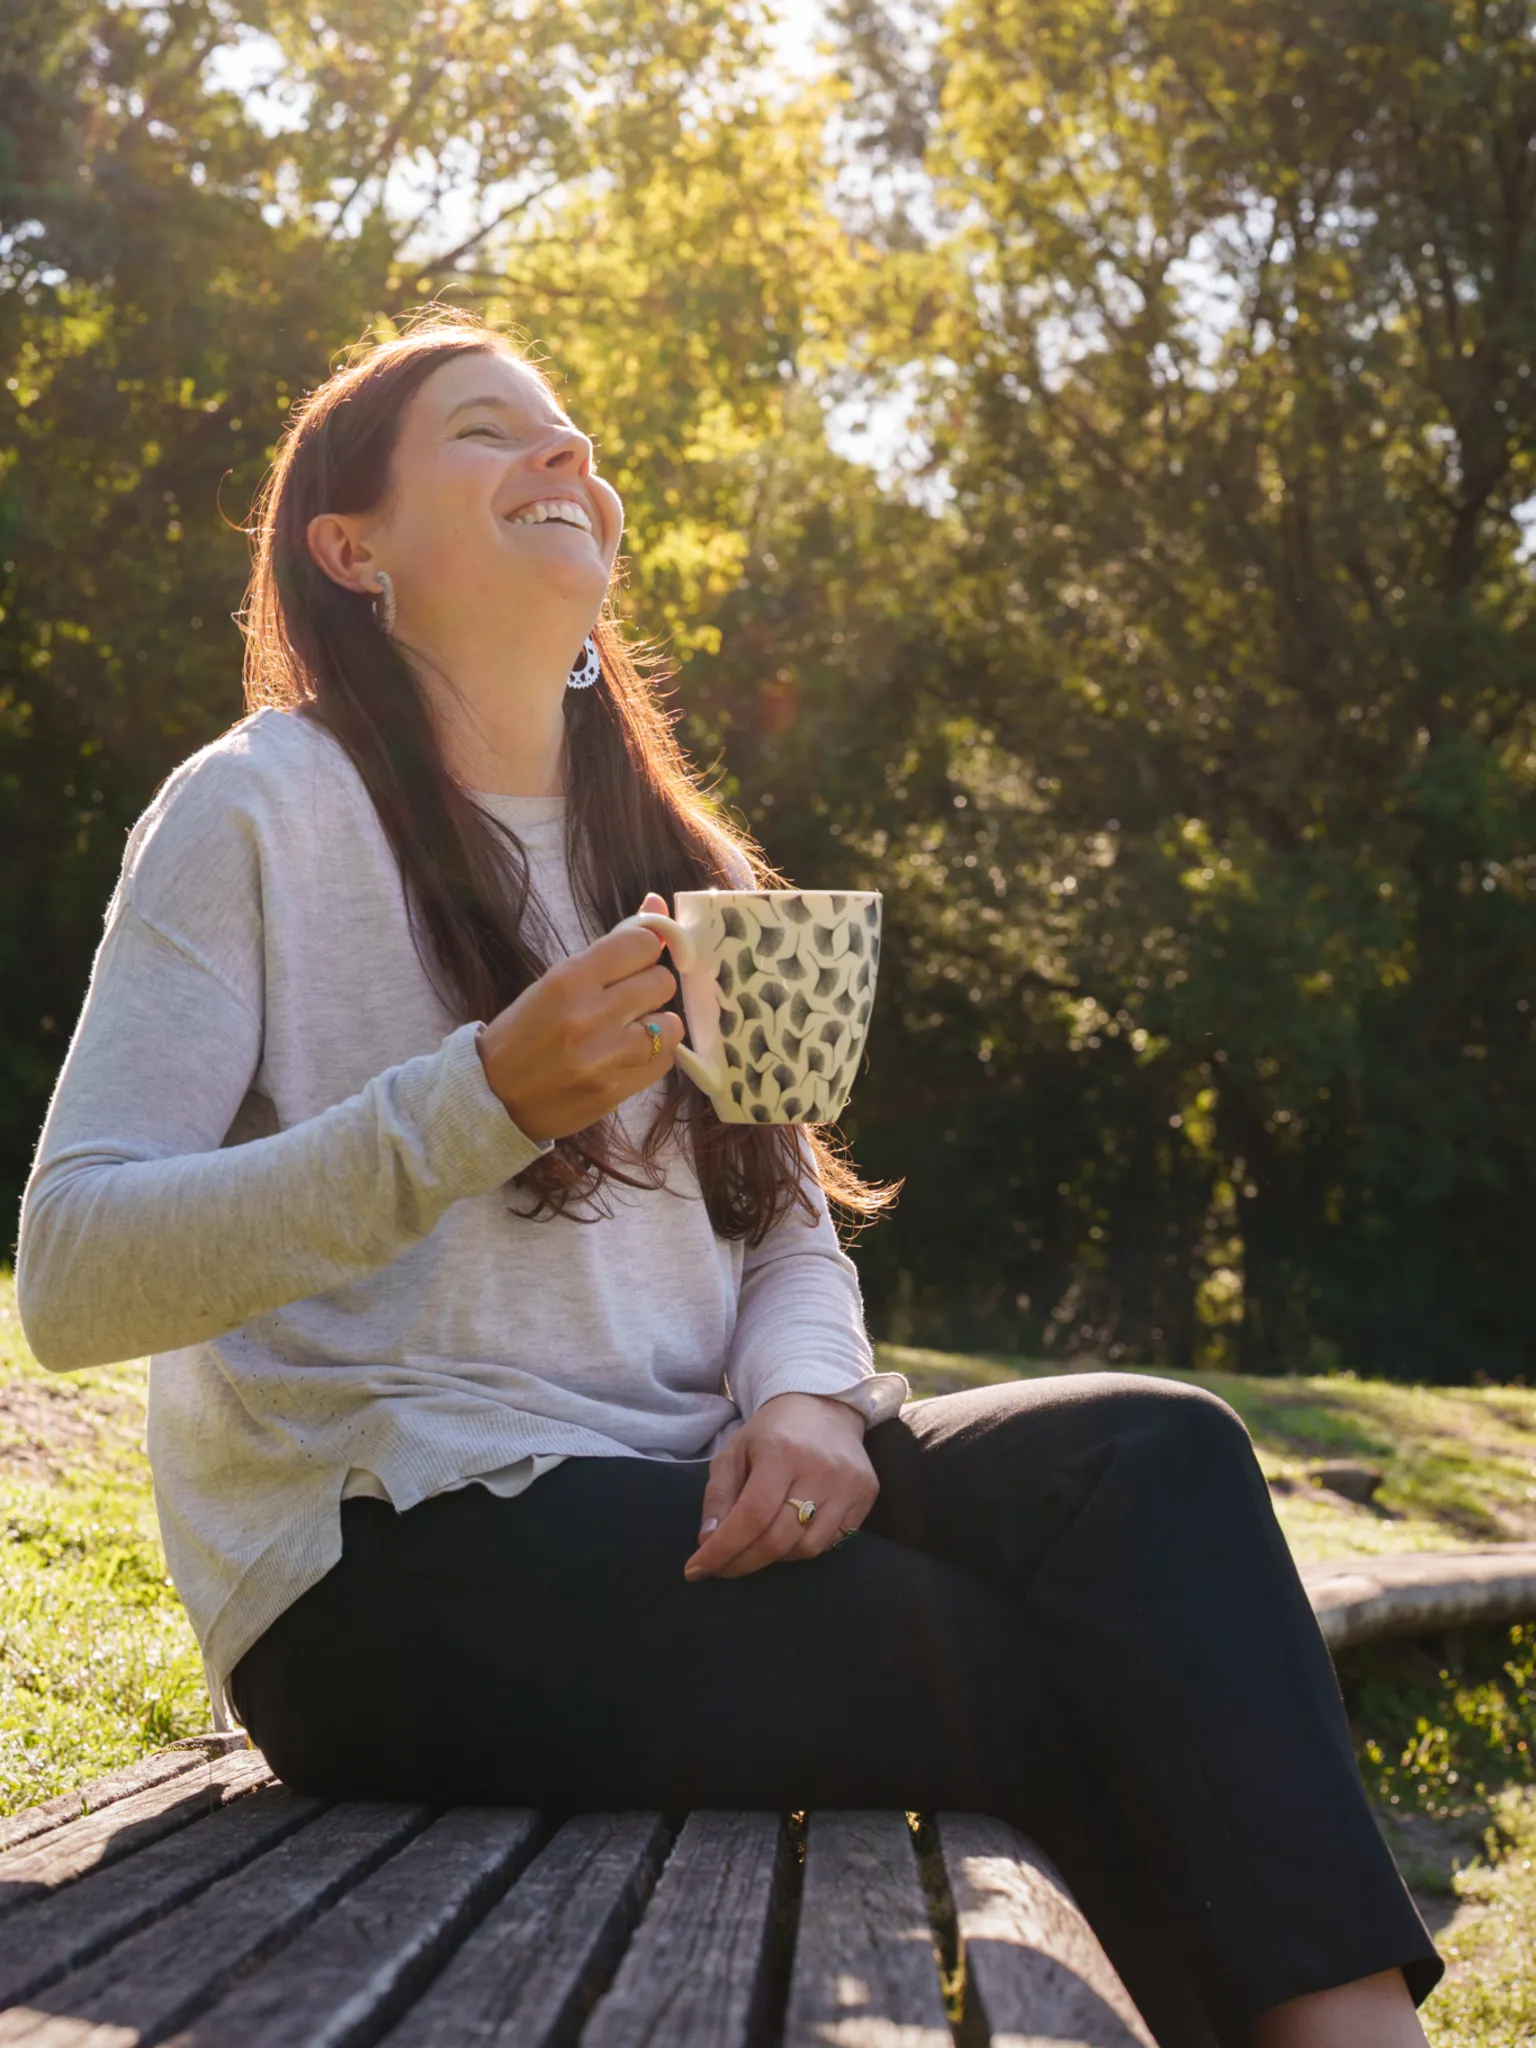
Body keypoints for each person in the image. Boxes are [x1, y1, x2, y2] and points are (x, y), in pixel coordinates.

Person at [16, 312, 1439, 2047]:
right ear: (353, 547)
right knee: (1055, 1666)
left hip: (695, 1488)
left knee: (1166, 1455)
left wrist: (812, 1404)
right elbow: (75, 1274)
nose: (570, 463)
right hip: (385, 1564)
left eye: (579, 442)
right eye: (489, 433)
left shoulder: (688, 867)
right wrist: (474, 1103)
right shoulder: (256, 807)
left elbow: (783, 1228)